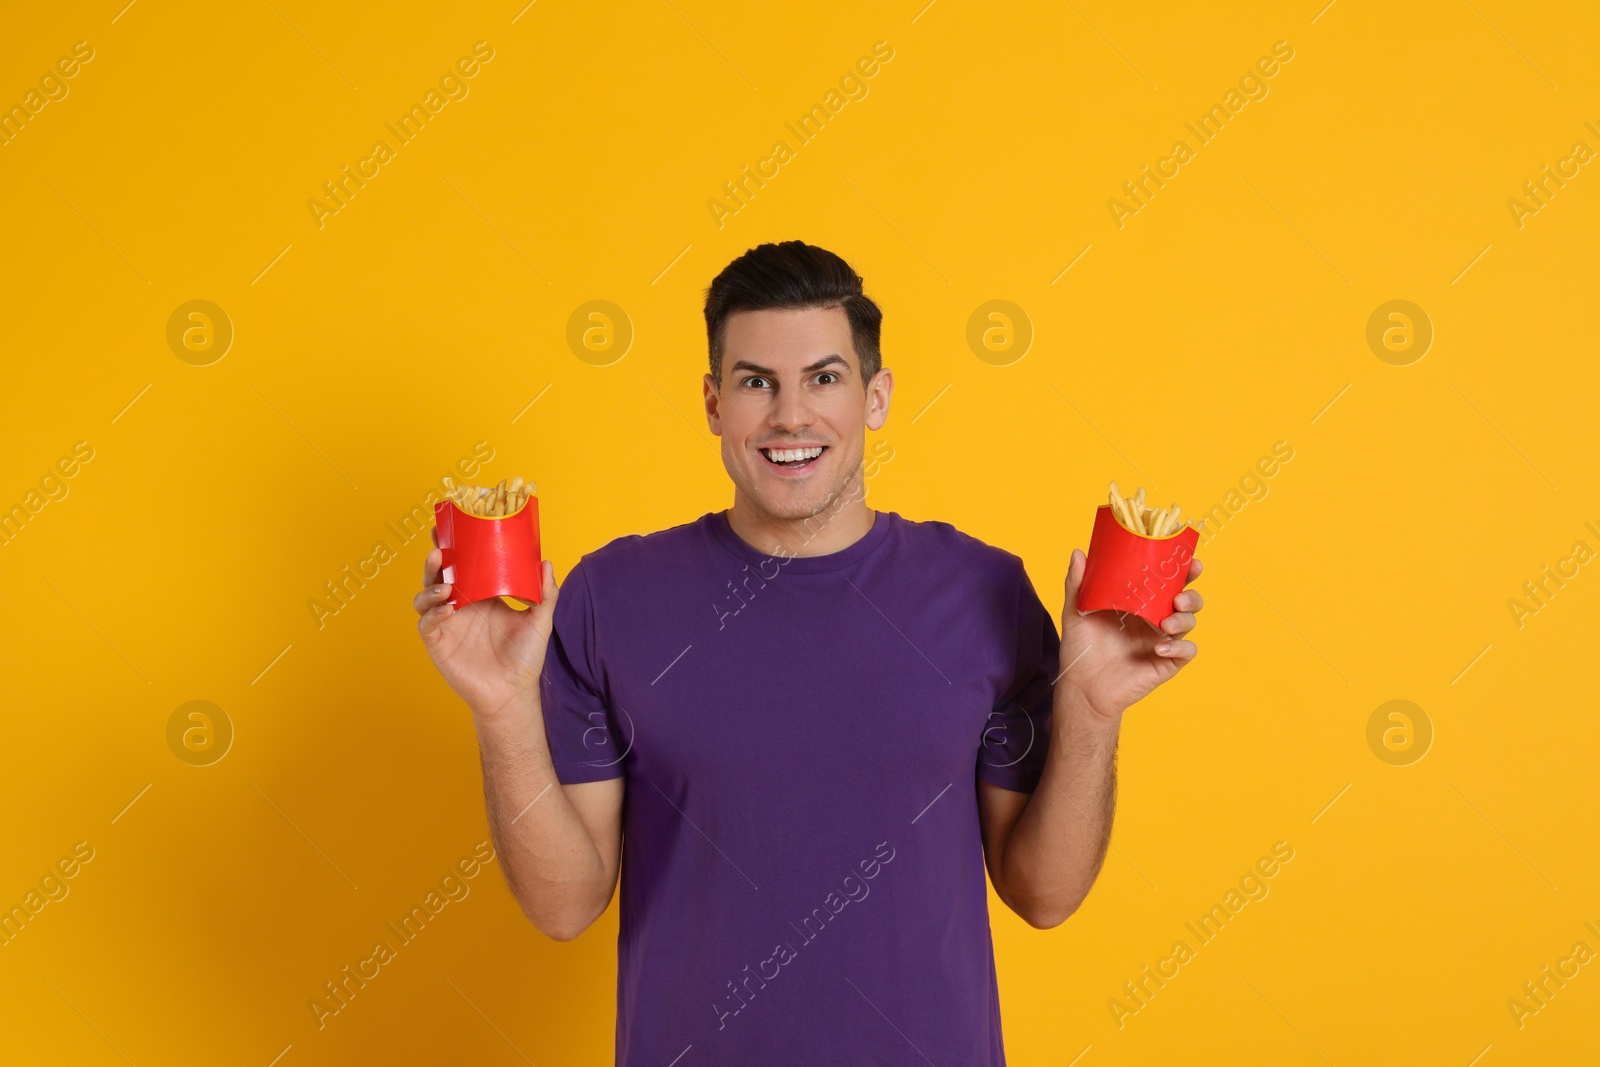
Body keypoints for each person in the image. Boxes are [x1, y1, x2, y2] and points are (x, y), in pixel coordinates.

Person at [414, 240, 1204, 1065]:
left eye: (824, 377)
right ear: (715, 403)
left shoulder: (984, 593)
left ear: (877, 396)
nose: (791, 415)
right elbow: (564, 906)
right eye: (758, 382)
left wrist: (1091, 706)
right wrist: (502, 708)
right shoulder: (612, 597)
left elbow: (1043, 893)